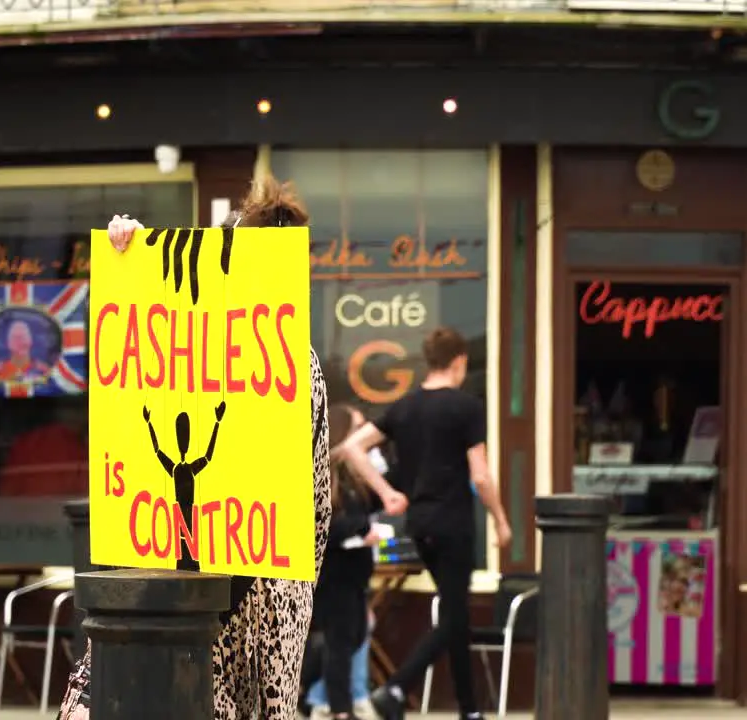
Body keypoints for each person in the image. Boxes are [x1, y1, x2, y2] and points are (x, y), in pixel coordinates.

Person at [58, 175, 354, 720]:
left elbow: (306, 502)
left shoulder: (290, 364)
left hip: (250, 595)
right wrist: (133, 261)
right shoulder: (210, 344)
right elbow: (143, 352)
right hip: (181, 573)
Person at [339, 327, 513, 720]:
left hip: (421, 524)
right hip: (453, 524)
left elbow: (352, 448)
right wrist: (501, 520)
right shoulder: (466, 407)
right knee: (455, 616)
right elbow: (481, 476)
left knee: (456, 615)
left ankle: (469, 710)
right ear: (460, 362)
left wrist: (387, 494)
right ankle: (397, 688)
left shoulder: (405, 407)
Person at [301, 404, 382, 720]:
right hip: (334, 575)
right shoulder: (324, 478)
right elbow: (322, 528)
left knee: (354, 636)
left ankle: (311, 692)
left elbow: (369, 506)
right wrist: (360, 530)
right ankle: (340, 709)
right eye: (358, 428)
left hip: (355, 576)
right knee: (339, 643)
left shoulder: (353, 475)